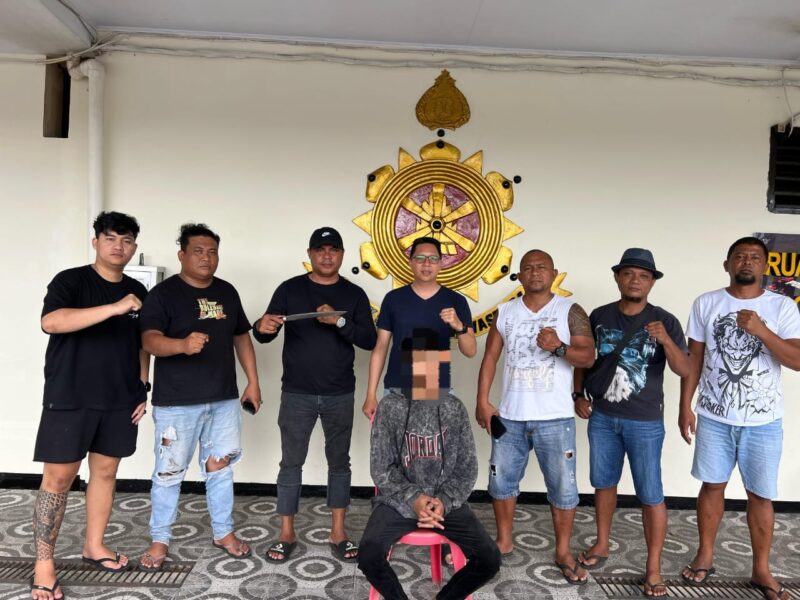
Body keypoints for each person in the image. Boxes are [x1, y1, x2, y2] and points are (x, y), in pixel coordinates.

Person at [31, 211, 149, 600]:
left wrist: (142, 387)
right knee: (58, 479)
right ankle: (43, 565)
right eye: (111, 238)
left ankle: (94, 545)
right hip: (70, 395)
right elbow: (52, 322)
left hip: (120, 398)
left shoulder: (137, 290)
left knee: (106, 472)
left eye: (126, 240)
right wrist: (114, 308)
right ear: (96, 242)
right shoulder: (71, 281)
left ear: (134, 247)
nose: (119, 246)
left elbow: (142, 344)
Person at [679, 237, 800, 600]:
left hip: (763, 421)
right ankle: (705, 554)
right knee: (712, 485)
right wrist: (685, 405)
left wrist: (761, 331)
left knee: (760, 495)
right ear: (727, 264)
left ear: (765, 266)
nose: (747, 261)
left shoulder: (782, 306)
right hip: (714, 416)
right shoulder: (706, 303)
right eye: (740, 256)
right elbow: (695, 358)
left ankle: (761, 569)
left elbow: (796, 360)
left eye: (755, 257)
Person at [138, 223, 262, 571]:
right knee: (168, 472)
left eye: (212, 252)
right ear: (181, 255)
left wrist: (253, 382)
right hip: (176, 403)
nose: (207, 258)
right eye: (198, 251)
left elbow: (241, 337)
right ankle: (160, 540)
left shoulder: (227, 291)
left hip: (223, 399)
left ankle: (223, 532)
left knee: (221, 468)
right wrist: (181, 345)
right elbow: (148, 340)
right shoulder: (163, 294)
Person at [253, 226, 377, 563]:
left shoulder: (354, 294)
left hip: (340, 392)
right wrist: (260, 326)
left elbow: (369, 340)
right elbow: (265, 332)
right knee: (290, 463)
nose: (327, 255)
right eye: (320, 250)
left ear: (342, 255)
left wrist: (339, 322)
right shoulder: (289, 289)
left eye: (333, 249)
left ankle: (338, 532)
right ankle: (286, 534)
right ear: (310, 254)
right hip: (297, 392)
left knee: (339, 463)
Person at [573, 248, 689, 598]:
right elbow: (584, 358)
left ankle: (653, 568)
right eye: (628, 273)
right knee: (604, 483)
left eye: (643, 275)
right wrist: (578, 394)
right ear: (617, 278)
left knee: (651, 494)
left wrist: (665, 340)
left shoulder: (666, 320)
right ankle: (602, 543)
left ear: (652, 282)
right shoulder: (599, 315)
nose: (635, 280)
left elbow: (684, 368)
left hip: (645, 421)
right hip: (603, 417)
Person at [475, 249, 595, 585]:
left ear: (554, 273)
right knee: (501, 482)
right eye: (528, 268)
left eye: (542, 267)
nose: (535, 272)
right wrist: (482, 401)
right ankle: (504, 540)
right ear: (520, 275)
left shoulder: (570, 311)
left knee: (563, 487)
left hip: (555, 417)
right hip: (510, 415)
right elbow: (490, 358)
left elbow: (588, 357)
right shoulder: (506, 311)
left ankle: (563, 551)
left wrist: (558, 347)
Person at [358, 328, 501, 600]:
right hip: (396, 502)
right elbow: (381, 469)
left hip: (446, 503)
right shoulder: (389, 407)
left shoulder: (454, 408)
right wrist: (414, 498)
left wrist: (443, 501)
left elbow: (467, 469)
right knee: (368, 554)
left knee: (489, 558)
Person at [362, 235, 476, 421]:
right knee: (393, 441)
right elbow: (381, 347)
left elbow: (470, 351)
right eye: (420, 258)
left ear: (441, 263)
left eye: (433, 258)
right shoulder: (393, 299)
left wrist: (459, 326)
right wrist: (370, 394)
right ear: (410, 262)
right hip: (396, 389)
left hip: (437, 391)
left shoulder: (455, 301)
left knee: (437, 442)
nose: (426, 264)